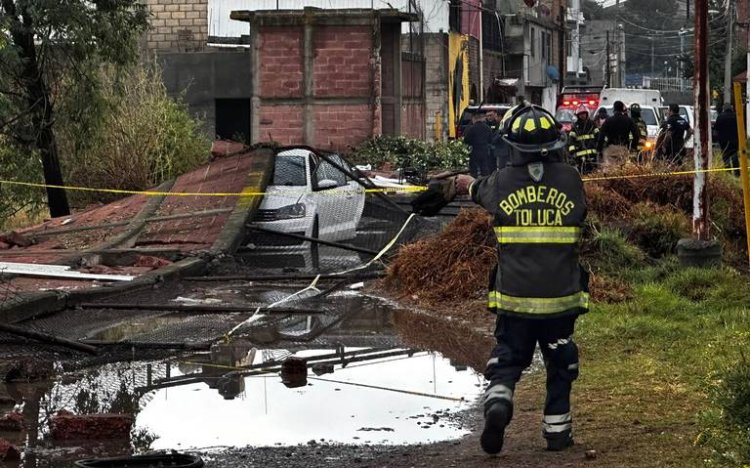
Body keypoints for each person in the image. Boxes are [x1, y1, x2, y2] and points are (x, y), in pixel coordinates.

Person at [468, 105, 589, 455]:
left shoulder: (501, 182)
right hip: (561, 297)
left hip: (515, 298)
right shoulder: (571, 179)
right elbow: (583, 214)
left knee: (508, 358)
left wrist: (458, 183)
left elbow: (477, 190)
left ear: (512, 146)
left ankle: (498, 402)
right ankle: (557, 435)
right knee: (561, 364)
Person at [567, 105, 599, 174]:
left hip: (592, 154)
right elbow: (571, 140)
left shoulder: (592, 124)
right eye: (580, 114)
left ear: (587, 114)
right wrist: (573, 151)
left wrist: (596, 145)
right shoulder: (575, 127)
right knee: (582, 173)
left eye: (584, 114)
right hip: (579, 155)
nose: (582, 116)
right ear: (578, 115)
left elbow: (598, 136)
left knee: (593, 172)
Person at [463, 112, 495, 177]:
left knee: (474, 169)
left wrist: (472, 143)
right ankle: (485, 182)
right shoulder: (487, 128)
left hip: (475, 151)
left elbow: (466, 140)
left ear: (474, 119)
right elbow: (491, 140)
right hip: (485, 151)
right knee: (485, 168)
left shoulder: (471, 128)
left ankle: (474, 183)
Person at [715, 105, 740, 176]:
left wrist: (718, 139)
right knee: (735, 156)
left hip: (723, 141)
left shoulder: (720, 117)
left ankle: (728, 172)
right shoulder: (736, 116)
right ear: (732, 109)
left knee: (725, 156)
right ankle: (737, 173)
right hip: (735, 140)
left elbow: (716, 130)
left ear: (724, 109)